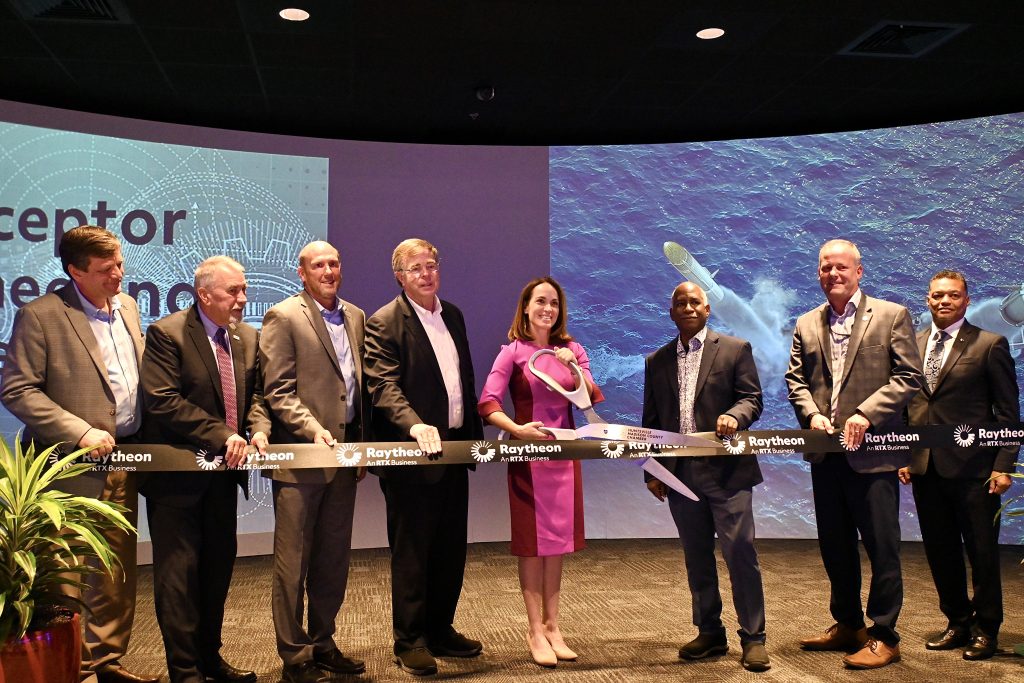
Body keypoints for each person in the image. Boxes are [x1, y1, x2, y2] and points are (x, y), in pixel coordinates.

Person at [0, 225, 156, 683]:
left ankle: (105, 661)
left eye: (121, 265)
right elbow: (17, 389)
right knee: (68, 572)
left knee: (115, 568)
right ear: (75, 271)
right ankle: (71, 669)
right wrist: (79, 430)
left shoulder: (127, 306)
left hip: (124, 460)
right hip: (66, 466)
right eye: (107, 270)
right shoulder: (41, 314)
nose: (119, 276)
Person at [785, 238, 922, 669]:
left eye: (842, 267)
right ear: (819, 274)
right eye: (826, 268)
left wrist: (866, 413)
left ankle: (885, 635)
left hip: (874, 456)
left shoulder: (892, 315)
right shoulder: (807, 323)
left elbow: (908, 376)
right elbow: (796, 380)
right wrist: (810, 415)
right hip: (827, 455)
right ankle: (848, 625)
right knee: (835, 546)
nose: (834, 274)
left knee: (883, 548)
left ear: (859, 271)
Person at [139, 256, 270, 683]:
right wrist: (221, 434)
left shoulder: (247, 337)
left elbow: (253, 398)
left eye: (244, 289)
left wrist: (256, 430)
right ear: (204, 294)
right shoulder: (167, 333)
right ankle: (185, 671)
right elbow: (163, 399)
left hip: (223, 480)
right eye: (233, 291)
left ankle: (210, 658)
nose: (242, 299)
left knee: (217, 572)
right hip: (176, 485)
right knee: (178, 581)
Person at [364, 238, 485, 677]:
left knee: (450, 548)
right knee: (413, 553)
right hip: (413, 457)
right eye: (415, 269)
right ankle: (410, 640)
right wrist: (413, 424)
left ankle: (440, 629)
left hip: (453, 450)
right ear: (399, 276)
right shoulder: (384, 323)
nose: (426, 274)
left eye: (431, 265)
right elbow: (382, 386)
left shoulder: (452, 314)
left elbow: (462, 380)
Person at [642, 281, 770, 672]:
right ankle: (710, 632)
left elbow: (753, 399)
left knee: (740, 553)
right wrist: (653, 470)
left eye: (695, 301)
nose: (688, 307)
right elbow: (651, 421)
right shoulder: (656, 360)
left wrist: (736, 416)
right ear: (671, 311)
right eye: (680, 302)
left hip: (727, 472)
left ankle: (754, 638)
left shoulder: (735, 349)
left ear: (708, 308)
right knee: (697, 558)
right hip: (681, 474)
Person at [477, 276, 601, 668]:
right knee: (533, 546)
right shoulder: (511, 353)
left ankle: (553, 627)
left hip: (564, 455)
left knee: (558, 544)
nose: (548, 309)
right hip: (529, 456)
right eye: (540, 302)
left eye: (554, 303)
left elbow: (589, 398)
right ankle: (534, 630)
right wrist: (516, 430)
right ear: (526, 308)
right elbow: (488, 402)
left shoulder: (573, 350)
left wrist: (575, 369)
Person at [259, 241, 368, 682]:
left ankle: (323, 643)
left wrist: (360, 447)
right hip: (302, 461)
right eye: (319, 264)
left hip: (344, 461)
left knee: (332, 561)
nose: (329, 270)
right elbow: (278, 391)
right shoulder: (284, 316)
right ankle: (296, 656)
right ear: (301, 272)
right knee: (293, 565)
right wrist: (311, 429)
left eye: (335, 263)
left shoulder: (355, 316)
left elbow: (358, 390)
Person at [898, 270, 1019, 661]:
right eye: (936, 296)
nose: (943, 301)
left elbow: (1007, 413)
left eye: (952, 295)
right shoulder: (912, 347)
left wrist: (1003, 465)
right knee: (940, 550)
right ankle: (958, 621)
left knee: (982, 553)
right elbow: (907, 408)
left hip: (977, 471)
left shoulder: (990, 345)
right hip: (925, 469)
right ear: (927, 300)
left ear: (966, 300)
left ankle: (987, 629)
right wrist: (905, 456)